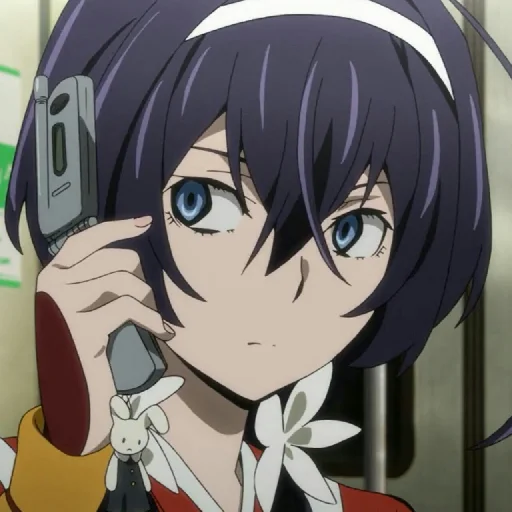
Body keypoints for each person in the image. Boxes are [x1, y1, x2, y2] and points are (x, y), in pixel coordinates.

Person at [0, 0, 511, 510]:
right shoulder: (24, 485)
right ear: (93, 202)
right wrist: (68, 450)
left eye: (351, 231)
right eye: (203, 202)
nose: (288, 281)